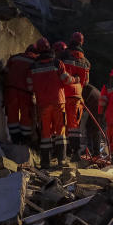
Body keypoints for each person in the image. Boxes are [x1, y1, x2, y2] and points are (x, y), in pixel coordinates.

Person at [27, 38, 78, 169]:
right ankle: (61, 160)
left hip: (42, 103)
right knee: (60, 131)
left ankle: (45, 162)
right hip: (58, 101)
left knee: (45, 133)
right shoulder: (57, 63)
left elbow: (30, 87)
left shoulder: (33, 66)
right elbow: (66, 80)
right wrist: (76, 79)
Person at [61, 32, 91, 161]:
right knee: (74, 125)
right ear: (82, 43)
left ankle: (63, 153)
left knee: (62, 123)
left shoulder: (63, 55)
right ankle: (75, 153)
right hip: (77, 96)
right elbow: (85, 82)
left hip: (62, 94)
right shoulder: (85, 61)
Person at [4, 44, 37, 144]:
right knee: (25, 115)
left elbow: (6, 71)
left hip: (11, 89)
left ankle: (14, 136)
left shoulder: (15, 57)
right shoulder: (35, 62)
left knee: (12, 112)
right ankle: (25, 138)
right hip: (25, 92)